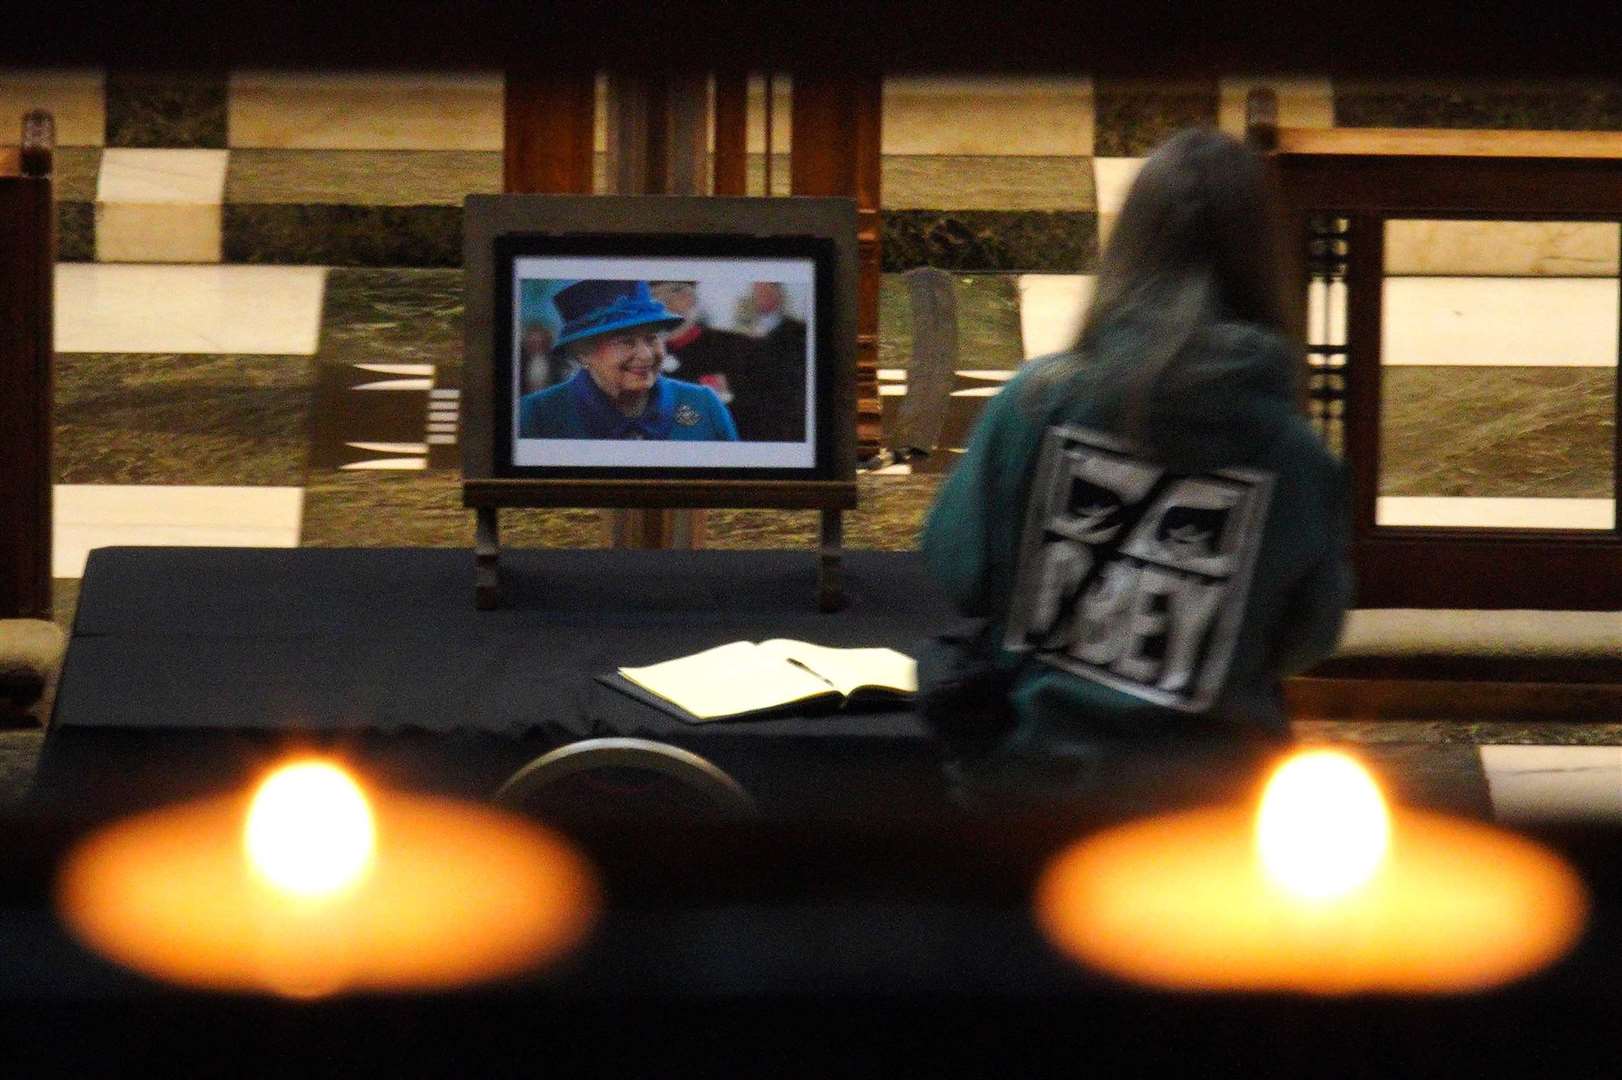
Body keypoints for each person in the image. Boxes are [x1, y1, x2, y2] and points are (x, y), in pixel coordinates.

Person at [919, 128, 1352, 805]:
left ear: (1127, 250)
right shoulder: (1298, 458)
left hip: (1035, 792)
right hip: (1216, 817)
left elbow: (959, 567)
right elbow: (1306, 640)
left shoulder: (1033, 404)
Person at [518, 280, 739, 441]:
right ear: (583, 353)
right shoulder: (536, 414)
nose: (646, 355)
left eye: (652, 338)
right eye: (625, 341)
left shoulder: (704, 405)